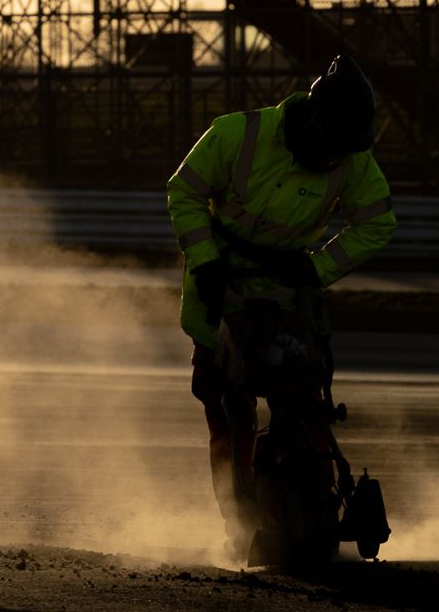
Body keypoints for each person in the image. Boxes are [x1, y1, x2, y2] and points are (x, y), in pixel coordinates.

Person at [165, 54, 398, 541]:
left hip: (289, 291)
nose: (336, 157)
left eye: (345, 150)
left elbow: (376, 223)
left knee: (304, 400)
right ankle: (241, 521)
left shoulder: (353, 160)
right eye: (332, 146)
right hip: (219, 284)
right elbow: (184, 190)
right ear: (313, 122)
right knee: (226, 409)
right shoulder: (236, 134)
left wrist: (315, 268)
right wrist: (205, 259)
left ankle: (322, 498)